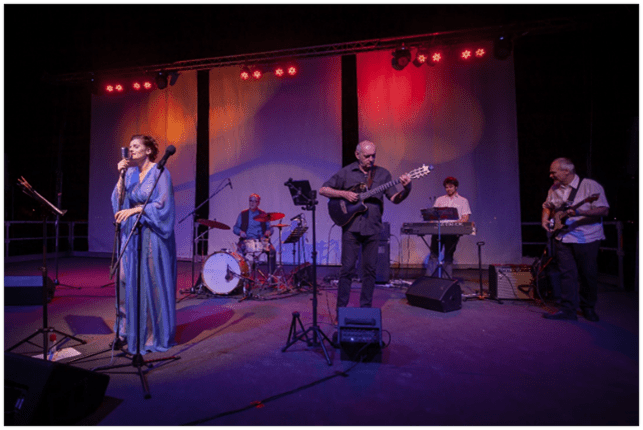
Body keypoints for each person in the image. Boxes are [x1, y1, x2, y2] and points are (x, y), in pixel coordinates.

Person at [320, 140, 411, 320]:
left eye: (373, 156)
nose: (371, 159)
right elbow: (324, 189)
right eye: (367, 156)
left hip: (373, 228)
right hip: (351, 228)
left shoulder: (383, 174)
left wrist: (407, 188)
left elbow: (394, 198)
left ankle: (366, 310)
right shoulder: (346, 172)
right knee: (346, 270)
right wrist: (344, 194)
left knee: (370, 270)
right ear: (357, 155)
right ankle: (341, 311)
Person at [112, 134, 177, 354]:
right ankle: (126, 330)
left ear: (148, 150)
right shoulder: (129, 173)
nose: (132, 150)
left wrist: (139, 209)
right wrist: (120, 176)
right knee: (123, 279)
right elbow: (118, 202)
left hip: (153, 234)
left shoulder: (160, 172)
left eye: (136, 146)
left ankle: (151, 334)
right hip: (132, 233)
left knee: (150, 283)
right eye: (129, 147)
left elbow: (163, 205)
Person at [541, 157, 609, 322]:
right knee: (567, 275)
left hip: (587, 237)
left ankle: (588, 308)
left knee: (588, 274)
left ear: (566, 171)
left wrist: (580, 213)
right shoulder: (554, 189)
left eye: (553, 172)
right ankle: (568, 309)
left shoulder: (589, 186)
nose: (550, 175)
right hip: (563, 237)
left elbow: (604, 210)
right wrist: (545, 219)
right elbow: (548, 206)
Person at [426, 177, 471, 277]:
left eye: (450, 187)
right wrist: (431, 222)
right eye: (446, 187)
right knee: (433, 255)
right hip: (438, 231)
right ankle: (429, 279)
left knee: (448, 256)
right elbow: (433, 216)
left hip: (452, 232)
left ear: (456, 187)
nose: (448, 189)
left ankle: (447, 281)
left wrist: (453, 225)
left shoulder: (463, 201)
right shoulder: (440, 199)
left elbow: (465, 218)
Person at [233, 193, 276, 273]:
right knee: (238, 254)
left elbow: (270, 228)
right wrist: (240, 232)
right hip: (246, 240)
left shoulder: (263, 214)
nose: (252, 203)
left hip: (261, 240)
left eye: (254, 201)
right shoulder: (243, 214)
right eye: (250, 201)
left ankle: (271, 277)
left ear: (258, 203)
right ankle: (240, 276)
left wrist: (269, 231)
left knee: (272, 251)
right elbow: (235, 228)